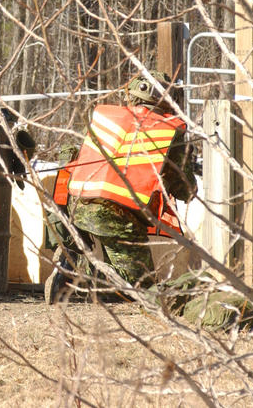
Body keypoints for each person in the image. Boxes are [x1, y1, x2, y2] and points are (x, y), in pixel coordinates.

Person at [45, 70, 196, 304]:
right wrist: (186, 160)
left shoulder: (106, 117)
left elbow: (72, 153)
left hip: (77, 205)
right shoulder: (168, 130)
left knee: (122, 274)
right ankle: (75, 273)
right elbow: (185, 190)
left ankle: (72, 263)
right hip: (116, 214)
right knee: (139, 288)